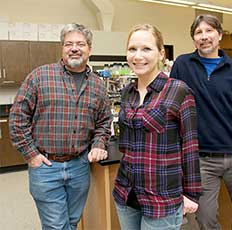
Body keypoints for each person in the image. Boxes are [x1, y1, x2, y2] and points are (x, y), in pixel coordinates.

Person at [9, 23, 112, 229]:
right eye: (69, 44)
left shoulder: (98, 85)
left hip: (80, 167)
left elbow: (104, 122)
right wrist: (31, 155)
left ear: (89, 49)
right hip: (46, 167)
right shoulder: (40, 76)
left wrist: (99, 144)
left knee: (72, 222)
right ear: (62, 48)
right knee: (56, 225)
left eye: (80, 44)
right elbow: (17, 119)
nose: (74, 48)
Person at [170, 14, 232, 230]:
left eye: (209, 31)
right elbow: (171, 105)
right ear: (193, 39)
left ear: (219, 35)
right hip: (202, 159)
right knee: (205, 220)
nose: (204, 37)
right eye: (198, 32)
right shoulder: (183, 64)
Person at [112, 24, 201, 230]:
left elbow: (190, 147)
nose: (138, 56)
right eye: (132, 49)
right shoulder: (128, 92)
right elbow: (125, 145)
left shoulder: (178, 91)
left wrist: (191, 193)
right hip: (126, 193)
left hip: (161, 199)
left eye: (146, 49)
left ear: (161, 54)